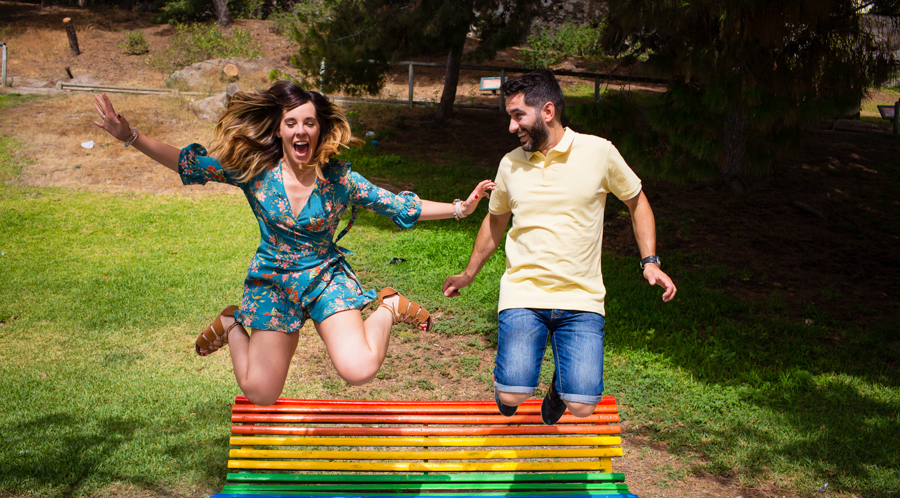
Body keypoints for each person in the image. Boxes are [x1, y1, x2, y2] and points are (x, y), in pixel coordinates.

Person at [93, 81, 494, 407]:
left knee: (360, 370)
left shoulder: (340, 180)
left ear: (320, 129)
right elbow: (189, 162)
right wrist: (129, 136)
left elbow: (397, 205)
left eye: (308, 122)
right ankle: (233, 324)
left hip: (325, 277)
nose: (300, 130)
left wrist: (461, 208)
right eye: (291, 122)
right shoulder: (255, 171)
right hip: (274, 282)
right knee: (261, 393)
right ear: (279, 129)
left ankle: (389, 306)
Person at [443, 70, 676, 425]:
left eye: (518, 115)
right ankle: (510, 383)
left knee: (582, 406)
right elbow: (495, 222)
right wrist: (468, 274)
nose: (511, 126)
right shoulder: (510, 163)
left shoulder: (599, 152)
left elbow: (637, 201)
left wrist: (650, 261)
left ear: (547, 112)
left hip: (580, 298)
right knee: (511, 396)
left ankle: (559, 389)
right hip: (524, 293)